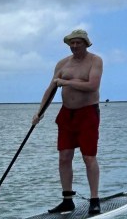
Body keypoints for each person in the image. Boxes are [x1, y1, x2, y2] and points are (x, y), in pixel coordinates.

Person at [33, 29, 104, 216]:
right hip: (66, 114)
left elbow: (92, 86)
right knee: (64, 157)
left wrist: (68, 82)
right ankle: (67, 200)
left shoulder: (95, 61)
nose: (74, 46)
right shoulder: (62, 64)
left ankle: (94, 200)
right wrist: (39, 112)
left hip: (88, 113)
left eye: (78, 43)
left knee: (89, 157)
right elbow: (51, 88)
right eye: (71, 43)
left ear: (86, 43)